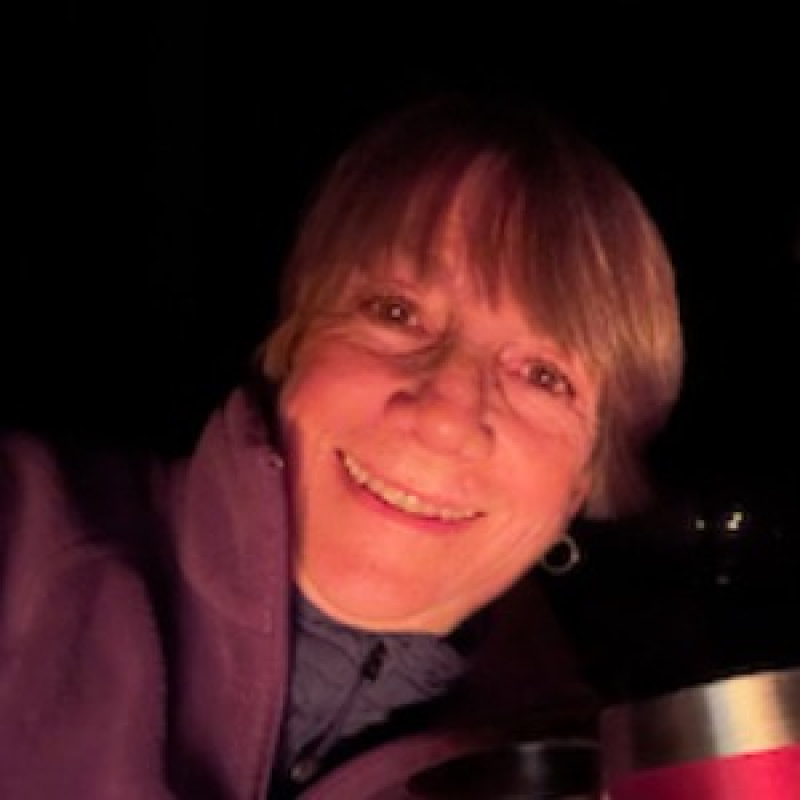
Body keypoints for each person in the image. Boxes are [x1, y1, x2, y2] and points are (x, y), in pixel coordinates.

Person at [0, 92, 683, 798]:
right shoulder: (22, 541)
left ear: (583, 484)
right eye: (397, 311)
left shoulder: (587, 773)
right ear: (295, 341)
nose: (445, 416)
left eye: (543, 376)